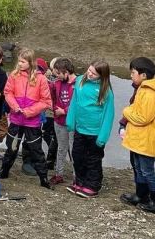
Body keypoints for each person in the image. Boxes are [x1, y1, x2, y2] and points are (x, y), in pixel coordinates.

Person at [0, 48, 53, 189]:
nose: (20, 64)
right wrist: (15, 106)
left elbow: (46, 101)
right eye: (19, 61)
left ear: (30, 62)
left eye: (23, 62)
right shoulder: (14, 75)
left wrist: (29, 111)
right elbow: (8, 92)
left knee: (36, 150)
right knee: (11, 148)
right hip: (16, 119)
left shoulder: (41, 79)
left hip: (32, 121)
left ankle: (44, 178)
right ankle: (4, 171)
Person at [66, 60, 114, 198]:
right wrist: (70, 120)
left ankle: (92, 185)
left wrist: (103, 137)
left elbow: (108, 114)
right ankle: (80, 181)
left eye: (94, 73)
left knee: (93, 159)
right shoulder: (80, 81)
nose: (90, 74)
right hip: (80, 129)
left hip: (95, 132)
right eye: (89, 70)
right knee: (78, 156)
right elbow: (74, 101)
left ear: (101, 76)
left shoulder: (106, 91)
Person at [120, 57, 155, 212]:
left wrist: (126, 111)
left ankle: (153, 200)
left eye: (133, 72)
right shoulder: (142, 88)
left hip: (146, 141)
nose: (131, 75)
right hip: (139, 140)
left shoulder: (149, 93)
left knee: (147, 171)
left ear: (144, 75)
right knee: (138, 168)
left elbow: (142, 117)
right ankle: (141, 195)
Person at [49, 57, 76, 185]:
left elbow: (78, 104)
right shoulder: (57, 83)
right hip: (59, 121)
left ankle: (77, 177)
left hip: (72, 123)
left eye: (59, 74)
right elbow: (52, 99)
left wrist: (64, 111)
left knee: (73, 150)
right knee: (61, 148)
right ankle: (59, 174)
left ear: (66, 71)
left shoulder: (78, 84)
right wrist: (55, 109)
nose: (57, 76)